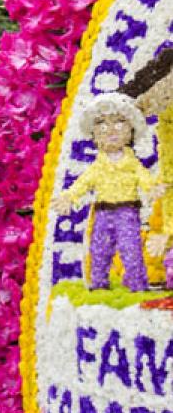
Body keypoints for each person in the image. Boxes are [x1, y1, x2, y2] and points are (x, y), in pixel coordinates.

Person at [54, 92, 164, 291]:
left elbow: (144, 178)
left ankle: (137, 284)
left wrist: (152, 189)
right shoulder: (98, 165)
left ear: (130, 130)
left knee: (130, 248)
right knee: (100, 249)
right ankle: (99, 284)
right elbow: (83, 182)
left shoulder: (132, 163)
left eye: (120, 122)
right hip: (102, 212)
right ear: (94, 134)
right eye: (102, 124)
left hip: (127, 212)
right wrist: (69, 196)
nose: (111, 129)